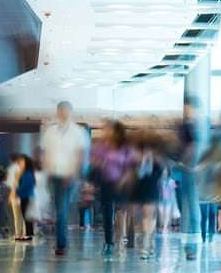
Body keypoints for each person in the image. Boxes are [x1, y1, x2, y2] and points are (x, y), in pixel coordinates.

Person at [41, 101, 88, 256]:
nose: (63, 113)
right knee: (60, 209)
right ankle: (62, 240)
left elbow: (81, 155)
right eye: (61, 110)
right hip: (54, 174)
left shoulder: (78, 132)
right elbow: (45, 153)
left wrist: (74, 173)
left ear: (70, 112)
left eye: (66, 111)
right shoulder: (50, 131)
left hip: (68, 175)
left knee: (61, 209)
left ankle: (61, 244)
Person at [90, 120, 135, 260]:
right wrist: (98, 163)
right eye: (106, 130)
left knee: (121, 212)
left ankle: (120, 239)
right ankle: (109, 242)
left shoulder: (125, 147)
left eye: (109, 130)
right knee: (107, 214)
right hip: (106, 183)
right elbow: (93, 161)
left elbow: (131, 165)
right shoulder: (102, 146)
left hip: (121, 184)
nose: (107, 132)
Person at [175, 98, 202, 261]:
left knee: (193, 210)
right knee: (184, 207)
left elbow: (195, 150)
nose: (187, 111)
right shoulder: (183, 128)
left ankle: (192, 246)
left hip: (192, 171)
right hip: (183, 171)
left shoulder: (198, 128)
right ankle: (189, 246)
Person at [133, 134, 164, 260]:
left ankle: (145, 245)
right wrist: (141, 161)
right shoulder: (138, 158)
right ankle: (150, 242)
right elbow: (135, 174)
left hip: (151, 189)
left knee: (148, 216)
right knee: (142, 217)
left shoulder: (157, 160)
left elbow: (160, 173)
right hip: (139, 188)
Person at [16, 154, 36, 241]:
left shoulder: (27, 173)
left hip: (26, 197)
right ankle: (28, 233)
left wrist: (17, 191)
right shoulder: (28, 173)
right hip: (26, 196)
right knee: (26, 215)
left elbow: (24, 186)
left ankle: (28, 234)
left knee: (26, 215)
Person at [5, 154, 24, 241]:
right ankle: (23, 233)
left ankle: (15, 233)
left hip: (13, 192)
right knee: (22, 216)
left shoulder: (11, 168)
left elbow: (9, 181)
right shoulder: (22, 169)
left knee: (14, 215)